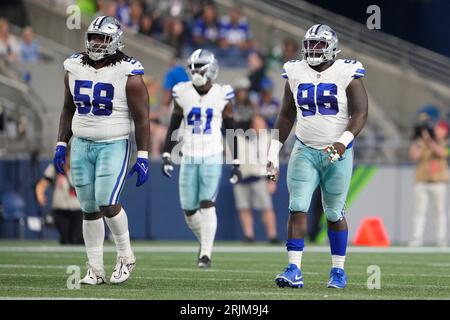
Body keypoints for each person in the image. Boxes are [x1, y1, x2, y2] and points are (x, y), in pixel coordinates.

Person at [267, 24, 368, 289]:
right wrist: (272, 152)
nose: (313, 49)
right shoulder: (295, 71)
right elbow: (286, 114)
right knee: (297, 206)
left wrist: (343, 143)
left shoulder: (347, 70)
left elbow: (360, 113)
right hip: (305, 149)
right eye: (310, 44)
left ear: (332, 47)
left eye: (319, 45)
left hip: (337, 153)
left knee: (333, 212)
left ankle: (338, 271)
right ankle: (293, 268)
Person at [53, 16, 150, 285]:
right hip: (81, 144)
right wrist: (62, 143)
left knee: (107, 201)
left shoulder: (128, 72)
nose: (96, 43)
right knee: (88, 208)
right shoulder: (73, 66)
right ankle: (95, 269)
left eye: (103, 38)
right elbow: (67, 108)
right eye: (93, 37)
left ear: (116, 41)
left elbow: (142, 118)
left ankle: (126, 255)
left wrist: (142, 156)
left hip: (113, 142)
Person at [161, 49, 242, 268]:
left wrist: (236, 161)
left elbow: (231, 129)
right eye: (193, 67)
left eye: (200, 67)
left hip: (212, 153)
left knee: (207, 203)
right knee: (189, 210)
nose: (195, 71)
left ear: (211, 69)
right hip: (188, 154)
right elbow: (174, 125)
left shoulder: (222, 94)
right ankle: (205, 241)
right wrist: (167, 153)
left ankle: (205, 254)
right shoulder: (181, 92)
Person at [233, 115, 278, 243]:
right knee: (244, 207)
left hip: (260, 177)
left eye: (261, 123)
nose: (260, 126)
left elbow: (273, 161)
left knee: (267, 207)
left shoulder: (269, 139)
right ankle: (248, 235)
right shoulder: (242, 137)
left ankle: (272, 235)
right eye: (257, 123)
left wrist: (272, 180)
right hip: (243, 177)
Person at [409, 119, 449, 247]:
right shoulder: (422, 142)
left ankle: (441, 239)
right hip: (422, 181)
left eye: (441, 129)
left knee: (440, 212)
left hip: (439, 182)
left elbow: (441, 153)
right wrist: (418, 139)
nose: (438, 131)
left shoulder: (446, 143)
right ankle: (417, 238)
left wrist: (428, 140)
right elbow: (414, 156)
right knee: (419, 212)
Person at [35, 145, 83, 245]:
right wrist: (40, 195)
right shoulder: (55, 168)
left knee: (77, 239)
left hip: (78, 209)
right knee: (66, 239)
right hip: (60, 209)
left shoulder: (80, 168)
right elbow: (42, 184)